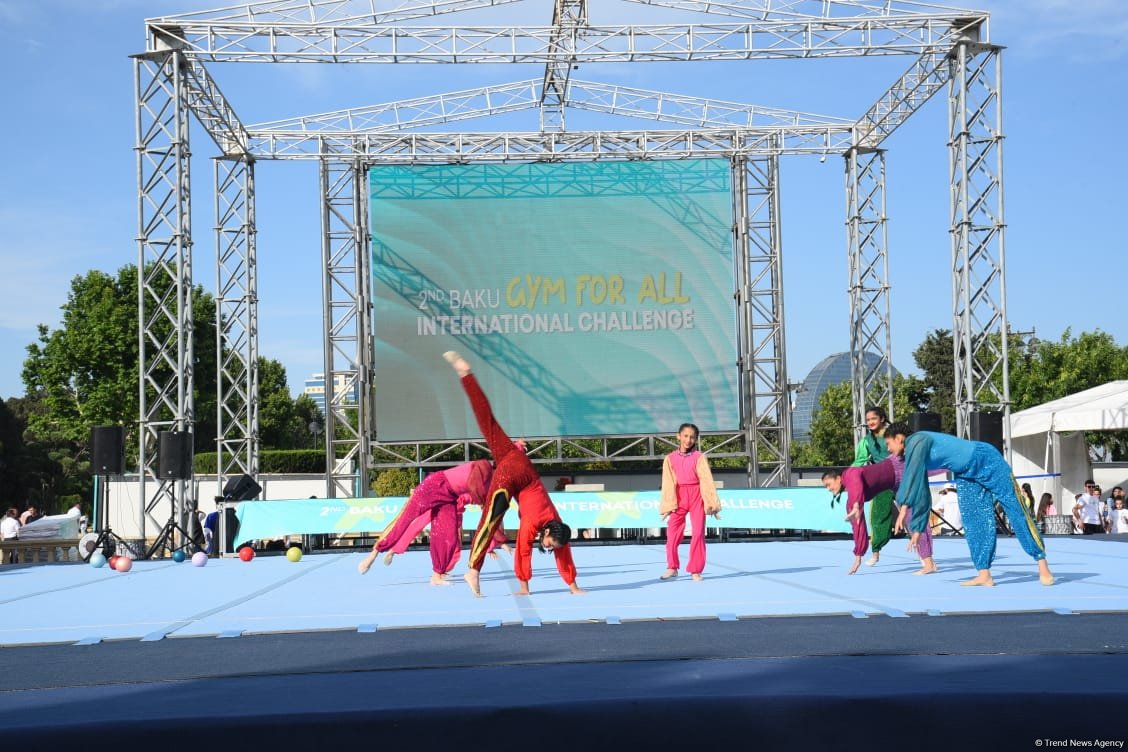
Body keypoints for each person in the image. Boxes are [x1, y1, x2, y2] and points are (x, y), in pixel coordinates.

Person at [444, 351, 584, 597]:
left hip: (517, 459)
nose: (549, 548)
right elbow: (523, 551)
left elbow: (563, 550)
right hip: (512, 475)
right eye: (551, 544)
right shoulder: (534, 523)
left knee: (488, 423)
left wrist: (574, 587)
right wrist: (524, 588)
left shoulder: (557, 522)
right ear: (549, 533)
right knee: (489, 520)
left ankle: (466, 374)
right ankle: (473, 570)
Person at [885, 422, 1054, 587]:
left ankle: (1041, 562)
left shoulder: (917, 440)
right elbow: (920, 490)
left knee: (1014, 507)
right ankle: (984, 574)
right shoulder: (912, 456)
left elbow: (911, 478)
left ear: (899, 438)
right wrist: (918, 528)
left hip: (984, 458)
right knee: (974, 522)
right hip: (965, 474)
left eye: (888, 443)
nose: (888, 449)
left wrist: (903, 509)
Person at [357, 461, 509, 585]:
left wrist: (500, 541)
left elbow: (489, 515)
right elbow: (476, 486)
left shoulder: (492, 486)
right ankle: (374, 553)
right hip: (434, 486)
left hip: (450, 497)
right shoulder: (484, 466)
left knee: (450, 537)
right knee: (406, 521)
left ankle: (436, 575)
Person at [821, 452, 911, 575]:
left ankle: (926, 559)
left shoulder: (850, 473)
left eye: (828, 484)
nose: (828, 489)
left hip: (897, 465)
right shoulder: (850, 503)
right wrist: (858, 558)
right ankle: (927, 559)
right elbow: (859, 529)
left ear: (838, 478)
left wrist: (857, 505)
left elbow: (856, 484)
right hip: (896, 484)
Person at [659, 423, 722, 581]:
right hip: (679, 496)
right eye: (685, 436)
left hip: (696, 496)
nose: (688, 440)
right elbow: (667, 482)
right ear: (678, 436)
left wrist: (711, 503)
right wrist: (668, 504)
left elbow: (706, 480)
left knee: (698, 533)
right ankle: (672, 567)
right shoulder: (670, 458)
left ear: (695, 439)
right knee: (672, 532)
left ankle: (696, 570)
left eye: (692, 437)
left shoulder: (699, 457)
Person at [852, 406, 898, 566]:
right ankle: (875, 552)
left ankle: (925, 556)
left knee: (911, 514)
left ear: (882, 419)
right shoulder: (867, 441)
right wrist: (848, 475)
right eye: (868, 420)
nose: (870, 422)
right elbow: (859, 461)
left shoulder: (894, 434)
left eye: (874, 419)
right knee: (877, 516)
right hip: (882, 481)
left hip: (901, 477)